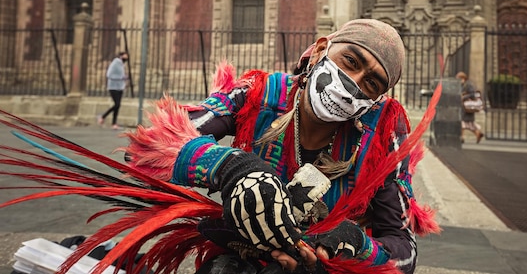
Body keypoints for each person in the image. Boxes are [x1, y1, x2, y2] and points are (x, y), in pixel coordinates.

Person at [124, 19, 439, 274]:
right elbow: (149, 146)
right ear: (319, 52)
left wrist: (353, 244)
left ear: (376, 99)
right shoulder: (259, 93)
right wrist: (231, 168)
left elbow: (403, 253)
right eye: (350, 61)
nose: (352, 82)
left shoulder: (383, 134)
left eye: (371, 83)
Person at [98, 51, 128, 130]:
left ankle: (114, 123)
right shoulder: (116, 62)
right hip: (113, 87)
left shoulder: (122, 64)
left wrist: (124, 79)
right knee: (117, 105)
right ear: (121, 56)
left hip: (120, 87)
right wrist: (121, 78)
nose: (126, 58)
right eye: (125, 56)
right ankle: (102, 116)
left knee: (117, 106)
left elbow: (120, 75)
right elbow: (109, 74)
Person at [456, 71, 484, 144]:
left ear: (463, 78)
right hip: (465, 108)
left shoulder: (468, 85)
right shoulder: (464, 85)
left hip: (468, 107)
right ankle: (478, 133)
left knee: (463, 123)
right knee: (469, 124)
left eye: (459, 79)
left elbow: (472, 94)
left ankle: (461, 137)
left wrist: (464, 97)